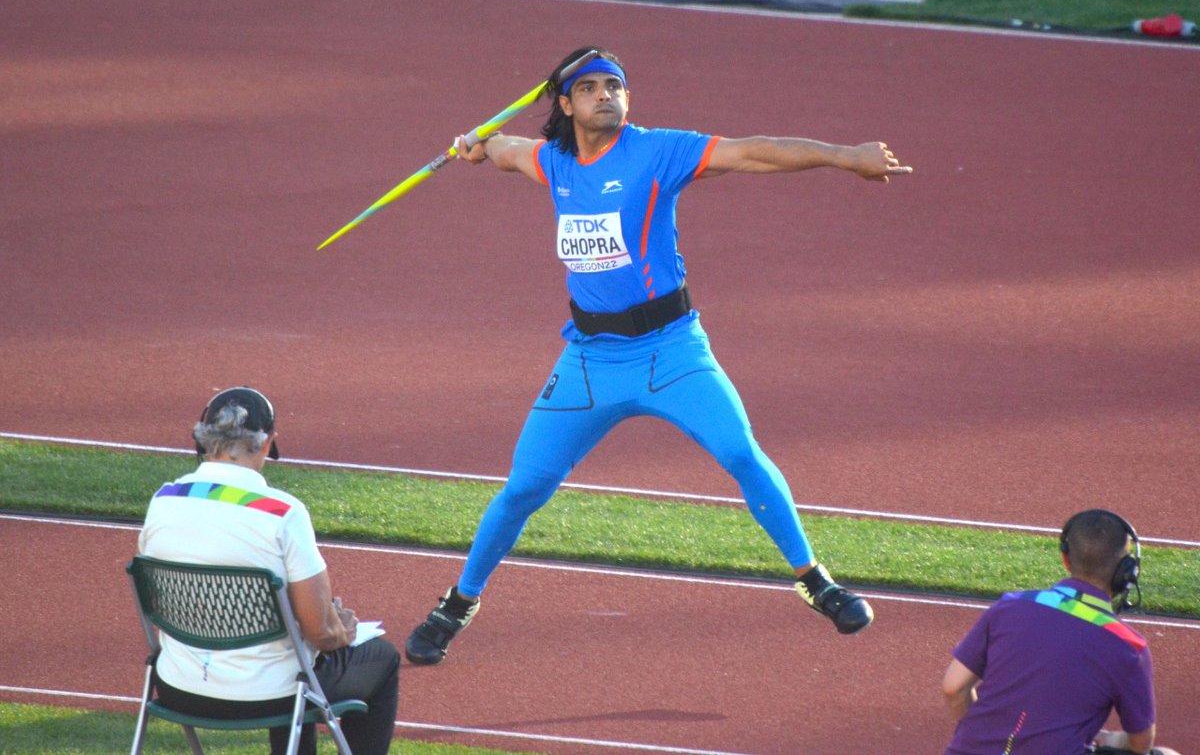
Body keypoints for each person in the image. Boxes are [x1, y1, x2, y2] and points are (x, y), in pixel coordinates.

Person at [405, 45, 913, 666]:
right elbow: (509, 150)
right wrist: (478, 145)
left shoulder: (656, 152)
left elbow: (754, 151)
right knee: (524, 487)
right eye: (589, 88)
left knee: (739, 452)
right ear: (565, 104)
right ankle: (459, 601)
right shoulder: (554, 162)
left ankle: (815, 580)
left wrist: (846, 157)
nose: (605, 95)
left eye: (614, 85)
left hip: (672, 352)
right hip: (590, 362)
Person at [139, 387, 400, 755]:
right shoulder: (282, 513)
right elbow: (321, 632)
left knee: (293, 658)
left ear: (203, 440)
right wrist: (340, 629)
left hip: (177, 686)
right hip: (271, 695)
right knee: (379, 658)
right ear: (266, 443)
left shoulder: (163, 500)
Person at [941, 509, 1181, 755]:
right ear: (1127, 573)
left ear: (1066, 559)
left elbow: (953, 688)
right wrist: (1109, 738)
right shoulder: (1129, 646)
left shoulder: (1010, 605)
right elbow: (1141, 744)